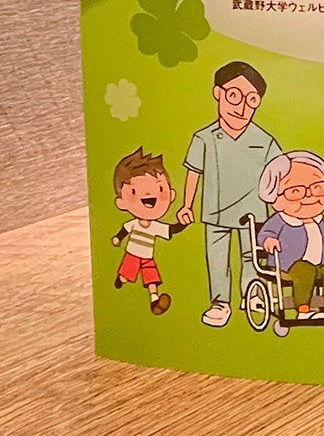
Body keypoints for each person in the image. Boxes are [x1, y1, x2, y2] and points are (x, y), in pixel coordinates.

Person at [178, 61, 281, 327]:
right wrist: (186, 205)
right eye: (234, 95)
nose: (242, 107)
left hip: (254, 213)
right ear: (218, 93)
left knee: (253, 256)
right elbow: (194, 172)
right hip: (215, 211)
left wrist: (282, 212)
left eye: (251, 100)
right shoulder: (204, 138)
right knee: (217, 258)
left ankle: (253, 295)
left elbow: (279, 176)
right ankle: (220, 302)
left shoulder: (265, 140)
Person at [257, 151, 324, 320]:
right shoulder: (280, 220)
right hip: (288, 267)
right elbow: (265, 233)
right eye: (296, 191)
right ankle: (303, 310)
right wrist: (268, 241)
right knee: (304, 270)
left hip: (320, 265)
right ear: (276, 200)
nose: (310, 196)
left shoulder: (320, 221)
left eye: (317, 187)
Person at [110, 148, 190, 315]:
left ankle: (155, 299)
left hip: (147, 257)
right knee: (126, 274)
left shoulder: (155, 227)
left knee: (152, 279)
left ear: (171, 195)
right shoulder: (134, 223)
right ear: (121, 203)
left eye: (160, 189)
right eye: (134, 192)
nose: (148, 194)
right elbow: (125, 230)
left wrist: (183, 224)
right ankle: (121, 279)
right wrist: (118, 238)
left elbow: (171, 230)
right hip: (132, 254)